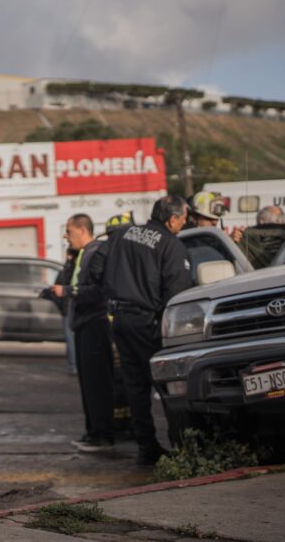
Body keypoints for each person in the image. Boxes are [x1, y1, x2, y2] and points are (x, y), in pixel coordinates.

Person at [103, 196, 193, 467]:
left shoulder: (122, 234)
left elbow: (100, 269)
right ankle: (182, 447)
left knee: (135, 387)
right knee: (169, 384)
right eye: (183, 218)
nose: (184, 223)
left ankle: (146, 447)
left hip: (118, 319)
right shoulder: (171, 245)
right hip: (148, 323)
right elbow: (177, 296)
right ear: (172, 219)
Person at [62, 214, 115, 452]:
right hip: (82, 324)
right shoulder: (80, 255)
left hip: (95, 322)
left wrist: (68, 291)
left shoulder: (96, 252)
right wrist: (69, 262)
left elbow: (98, 291)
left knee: (97, 384)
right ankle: (93, 431)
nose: (66, 236)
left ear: (82, 230)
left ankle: (103, 434)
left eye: (69, 232)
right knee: (87, 383)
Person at [52, 245, 79, 376]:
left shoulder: (65, 270)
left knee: (71, 341)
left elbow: (56, 290)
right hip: (76, 308)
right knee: (76, 340)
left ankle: (73, 366)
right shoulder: (80, 268)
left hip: (67, 309)